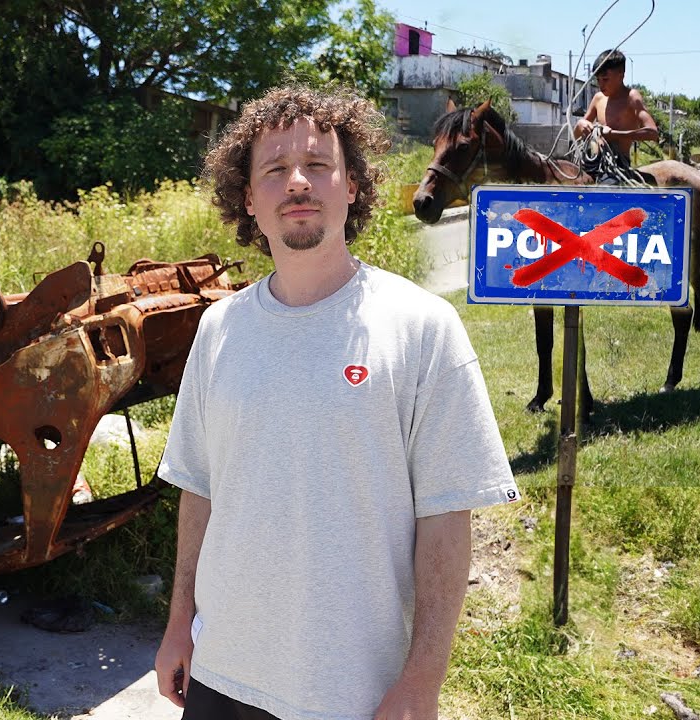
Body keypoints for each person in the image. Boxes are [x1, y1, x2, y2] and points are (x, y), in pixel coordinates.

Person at [153, 85, 520, 720]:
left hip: (351, 691)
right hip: (221, 675)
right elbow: (200, 489)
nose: (298, 181)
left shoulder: (421, 328)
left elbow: (445, 520)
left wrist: (422, 683)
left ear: (352, 186)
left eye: (319, 165)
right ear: (247, 198)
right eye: (274, 169)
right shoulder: (219, 330)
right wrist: (179, 620)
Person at [575, 49, 660, 184]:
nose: (601, 85)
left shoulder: (631, 97)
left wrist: (614, 134)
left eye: (605, 79)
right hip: (590, 161)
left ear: (621, 74)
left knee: (605, 190)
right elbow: (577, 135)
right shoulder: (598, 99)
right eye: (598, 80)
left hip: (617, 165)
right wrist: (580, 124)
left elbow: (652, 133)